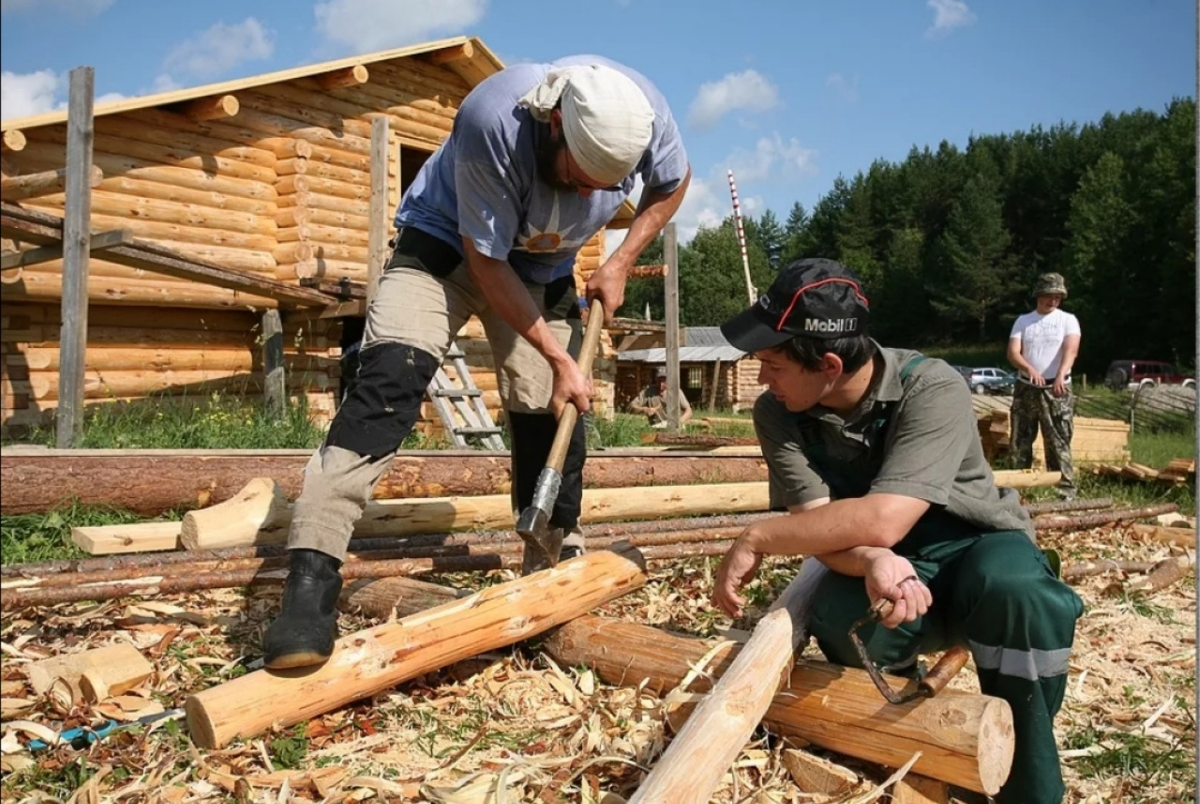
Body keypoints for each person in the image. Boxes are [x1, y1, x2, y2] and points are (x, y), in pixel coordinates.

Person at [263, 56, 690, 670]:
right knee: (386, 385)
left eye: (606, 185)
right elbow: (486, 263)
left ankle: (553, 556)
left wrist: (621, 260)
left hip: (541, 267)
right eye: (580, 176)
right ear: (555, 126)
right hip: (444, 249)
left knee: (550, 407)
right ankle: (311, 577)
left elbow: (674, 182)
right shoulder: (494, 118)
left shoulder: (647, 116)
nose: (589, 195)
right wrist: (557, 354)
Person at [712, 258, 1083, 804]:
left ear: (829, 365)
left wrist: (757, 537)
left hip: (977, 543)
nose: (763, 378)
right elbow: (817, 525)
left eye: (773, 364)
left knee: (1020, 595)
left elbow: (885, 517)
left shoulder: (930, 386)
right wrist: (869, 560)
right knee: (841, 615)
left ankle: (1027, 782)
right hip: (891, 558)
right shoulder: (779, 412)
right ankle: (920, 744)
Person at [1007, 273, 1082, 500]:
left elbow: (1071, 349)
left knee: (1058, 441)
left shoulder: (1068, 320)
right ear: (1039, 295)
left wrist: (1061, 374)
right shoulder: (1023, 321)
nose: (1053, 300)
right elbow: (1013, 352)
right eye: (1049, 295)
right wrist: (1029, 369)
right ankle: (1016, 492)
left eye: (1057, 296)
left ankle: (1064, 492)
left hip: (1056, 389)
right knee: (1020, 441)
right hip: (1026, 387)